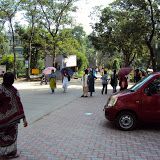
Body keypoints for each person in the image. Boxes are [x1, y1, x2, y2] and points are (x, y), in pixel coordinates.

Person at [0, 72, 28, 159]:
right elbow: (19, 105)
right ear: (12, 81)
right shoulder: (14, 91)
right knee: (12, 135)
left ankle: (1, 153)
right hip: (11, 120)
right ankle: (10, 154)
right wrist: (24, 118)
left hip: (0, 119)